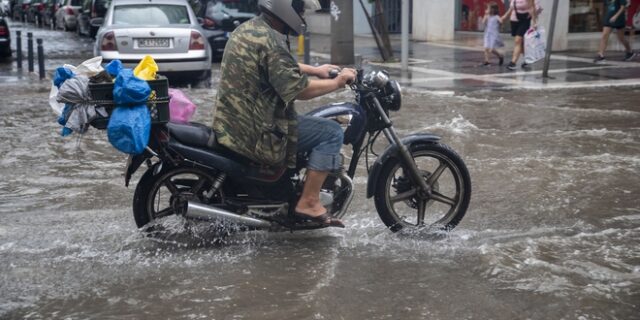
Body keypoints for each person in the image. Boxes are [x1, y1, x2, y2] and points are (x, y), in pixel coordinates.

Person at [212, 0, 357, 228]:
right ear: (285, 9)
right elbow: (300, 90)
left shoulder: (252, 29)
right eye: (300, 11)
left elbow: (279, 64)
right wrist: (339, 82)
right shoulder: (271, 42)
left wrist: (316, 70)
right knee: (330, 132)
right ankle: (309, 201)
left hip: (234, 122)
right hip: (256, 129)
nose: (302, 17)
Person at [506, 0, 540, 70]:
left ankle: (513, 62)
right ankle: (527, 59)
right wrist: (504, 17)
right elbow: (511, 7)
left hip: (525, 19)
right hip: (514, 20)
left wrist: (534, 22)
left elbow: (532, 7)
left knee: (518, 40)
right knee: (521, 42)